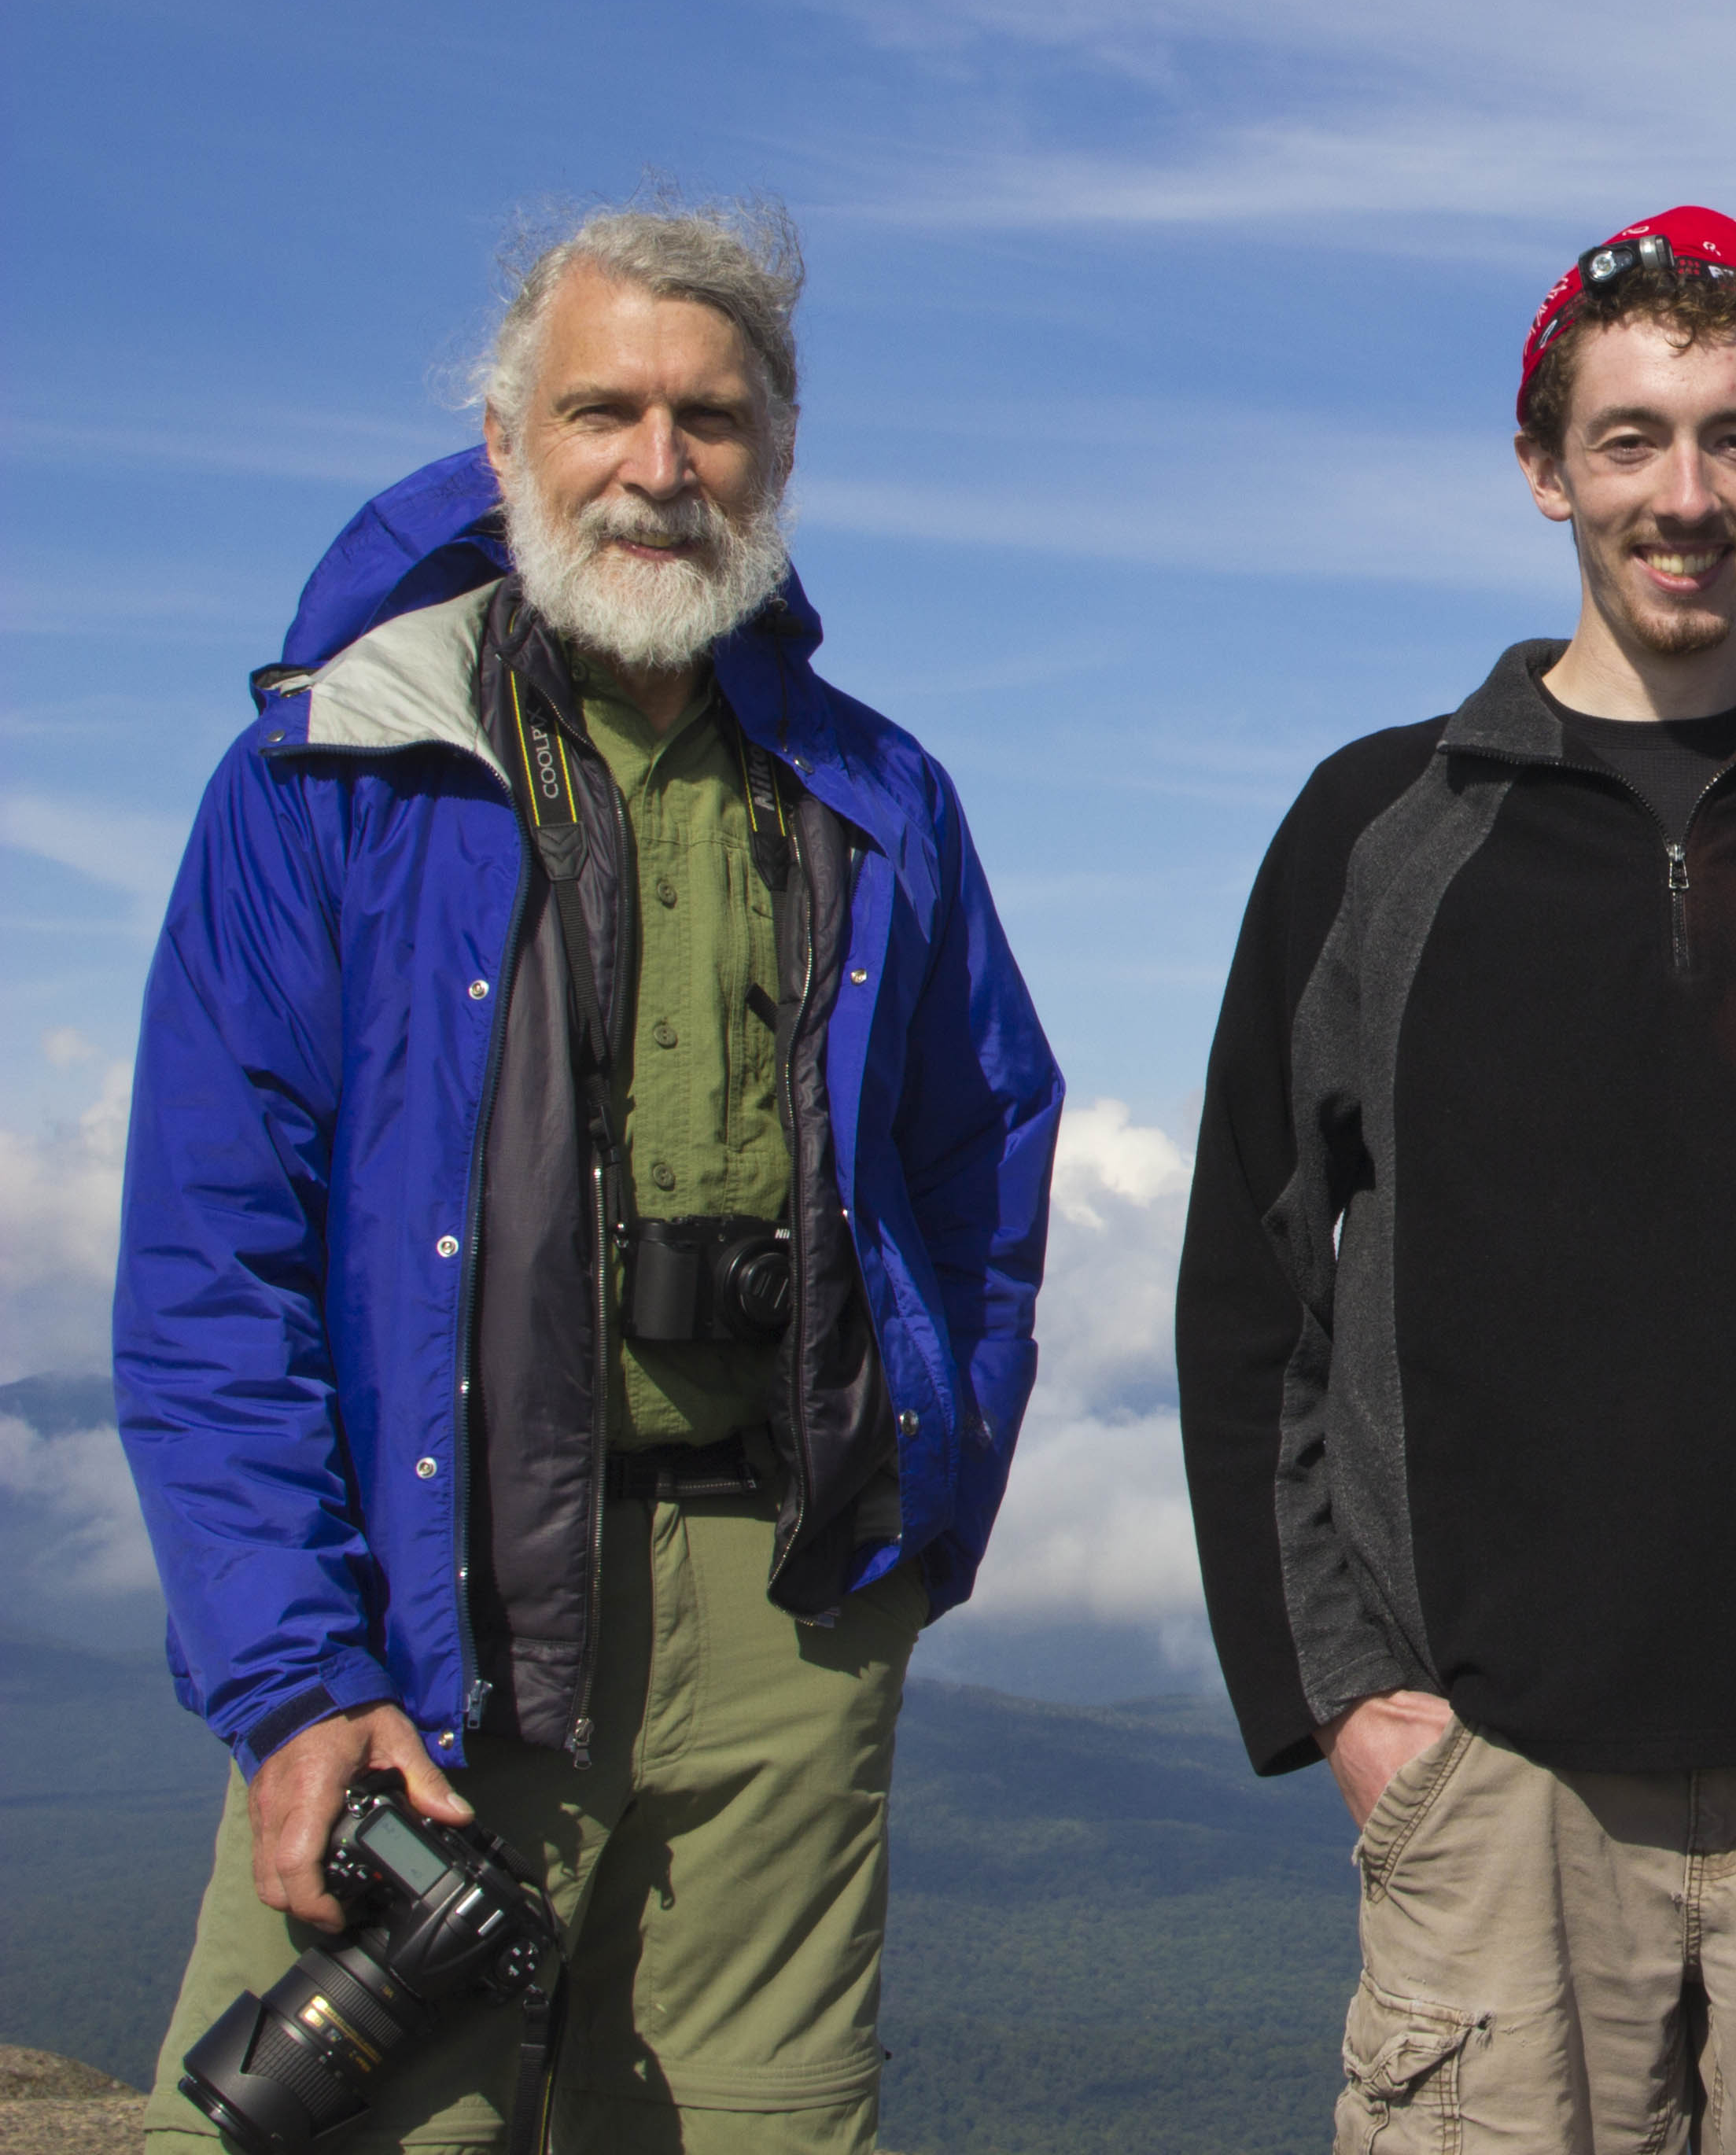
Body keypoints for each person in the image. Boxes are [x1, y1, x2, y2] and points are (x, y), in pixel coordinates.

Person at [118, 201, 1064, 2152]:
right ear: (504, 441)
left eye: (711, 421)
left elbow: (983, 1158)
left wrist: (922, 1510)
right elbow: (214, 1265)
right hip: (434, 1626)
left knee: (763, 2129)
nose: (658, 468)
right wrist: (296, 1683)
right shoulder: (336, 779)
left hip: (789, 1609)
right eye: (602, 409)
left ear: (776, 454)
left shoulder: (875, 796)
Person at [1175, 206, 1736, 2155]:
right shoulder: (1379, 826)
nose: (1687, 496)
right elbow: (1253, 1284)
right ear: (1541, 470)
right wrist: (1335, 1694)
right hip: (1492, 1767)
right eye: (1632, 440)